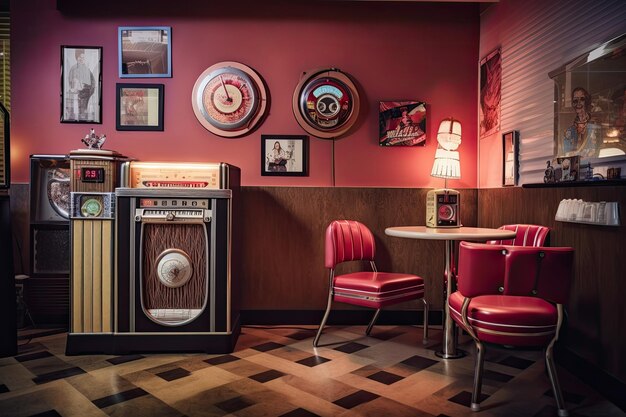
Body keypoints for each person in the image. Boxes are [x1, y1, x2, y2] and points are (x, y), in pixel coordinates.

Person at [562, 87, 601, 158]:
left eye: (582, 99)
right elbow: (567, 155)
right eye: (575, 100)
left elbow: (595, 152)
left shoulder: (594, 128)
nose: (578, 103)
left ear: (587, 101)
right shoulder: (569, 132)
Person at [67, 49, 95, 121]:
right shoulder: (73, 69)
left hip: (86, 96)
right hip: (76, 96)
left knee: (84, 115)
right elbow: (71, 84)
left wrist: (86, 87)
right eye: (80, 57)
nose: (82, 59)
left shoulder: (87, 69)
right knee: (75, 113)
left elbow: (93, 83)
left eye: (83, 58)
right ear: (76, 57)